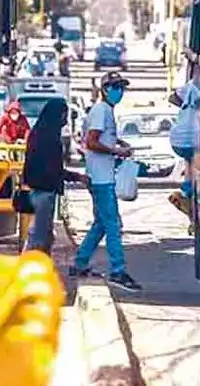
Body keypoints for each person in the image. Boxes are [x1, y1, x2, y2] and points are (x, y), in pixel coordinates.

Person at [70, 72, 141, 292]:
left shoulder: (105, 111)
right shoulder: (101, 110)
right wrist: (116, 150)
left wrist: (116, 143)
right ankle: (118, 271)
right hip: (101, 178)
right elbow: (92, 142)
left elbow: (97, 138)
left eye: (122, 87)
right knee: (113, 224)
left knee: (101, 223)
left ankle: (80, 262)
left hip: (101, 175)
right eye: (116, 87)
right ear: (105, 89)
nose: (120, 91)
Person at [22, 98, 87, 255]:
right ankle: (28, 271)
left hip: (38, 188)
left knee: (45, 235)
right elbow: (54, 168)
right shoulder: (49, 139)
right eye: (64, 114)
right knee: (38, 238)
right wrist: (77, 177)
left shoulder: (39, 133)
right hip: (44, 190)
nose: (65, 118)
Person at [167, 49, 200, 226]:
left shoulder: (190, 85)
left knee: (190, 165)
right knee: (199, 170)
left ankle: (186, 193)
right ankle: (192, 201)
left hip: (178, 137)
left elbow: (172, 97)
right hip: (194, 136)